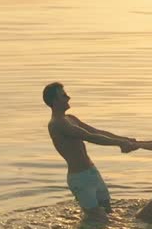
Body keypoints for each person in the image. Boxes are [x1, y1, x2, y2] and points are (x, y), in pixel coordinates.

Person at [43, 82, 134, 220]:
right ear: (54, 101)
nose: (69, 97)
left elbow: (96, 131)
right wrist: (120, 143)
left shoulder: (70, 118)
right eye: (64, 95)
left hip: (93, 173)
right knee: (98, 219)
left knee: (108, 213)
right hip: (80, 178)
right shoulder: (57, 124)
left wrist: (125, 139)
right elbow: (90, 137)